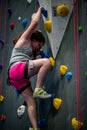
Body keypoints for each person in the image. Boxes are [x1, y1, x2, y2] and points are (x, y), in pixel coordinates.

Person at [8, 7, 52, 130]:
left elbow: (33, 62)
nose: (39, 47)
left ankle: (35, 128)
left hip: (15, 79)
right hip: (17, 69)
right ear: (34, 40)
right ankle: (38, 89)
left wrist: (38, 53)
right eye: (39, 44)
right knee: (47, 63)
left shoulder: (29, 53)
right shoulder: (25, 39)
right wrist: (39, 10)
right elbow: (34, 23)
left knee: (32, 102)